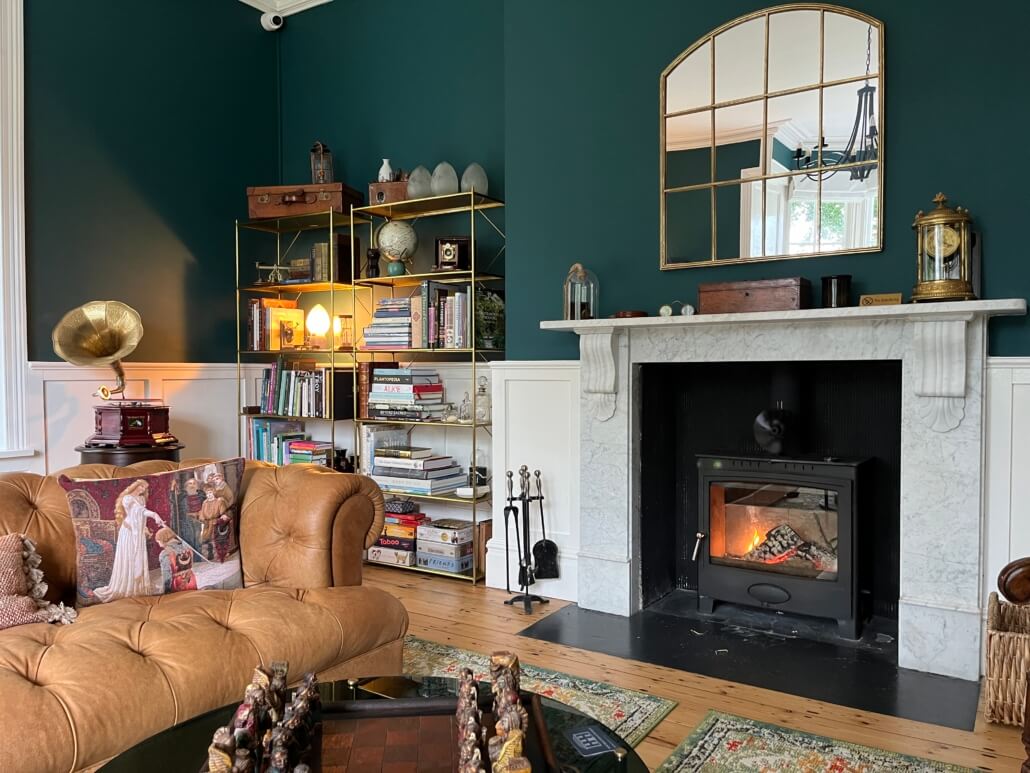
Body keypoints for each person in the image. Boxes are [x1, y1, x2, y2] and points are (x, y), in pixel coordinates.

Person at [93, 479, 165, 602]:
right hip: (129, 531)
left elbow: (141, 515)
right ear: (135, 486)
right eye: (141, 486)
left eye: (144, 488)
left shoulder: (141, 499)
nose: (142, 489)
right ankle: (126, 586)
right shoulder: (127, 498)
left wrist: (149, 523)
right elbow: (138, 511)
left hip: (137, 533)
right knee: (128, 556)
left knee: (137, 556)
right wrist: (154, 515)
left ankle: (137, 587)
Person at [155, 527, 197, 593]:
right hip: (191, 580)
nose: (160, 545)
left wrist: (165, 590)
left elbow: (167, 575)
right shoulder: (187, 547)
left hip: (177, 584)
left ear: (163, 539)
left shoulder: (165, 553)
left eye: (159, 542)